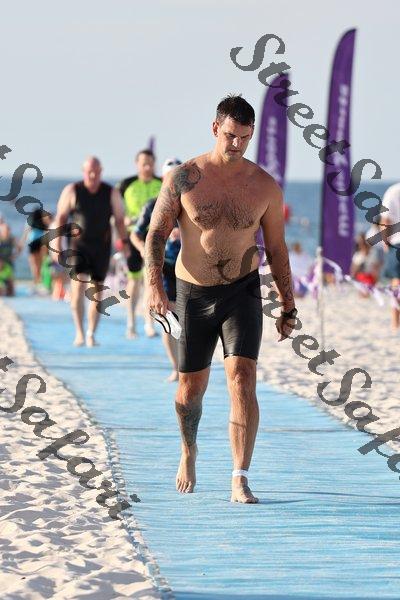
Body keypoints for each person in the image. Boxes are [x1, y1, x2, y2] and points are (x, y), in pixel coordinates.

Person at [145, 95, 296, 504]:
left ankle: (239, 476)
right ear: (215, 129)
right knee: (189, 391)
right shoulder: (184, 178)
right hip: (192, 293)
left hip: (242, 291)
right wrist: (155, 287)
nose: (236, 144)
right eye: (230, 135)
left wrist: (288, 304)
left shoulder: (264, 186)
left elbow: (277, 249)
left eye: (244, 137)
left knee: (242, 378)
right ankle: (188, 450)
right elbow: (157, 233)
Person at [54, 156, 129, 346]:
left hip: (101, 248)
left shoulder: (111, 193)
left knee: (97, 291)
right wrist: (57, 245)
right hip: (78, 247)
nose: (93, 175)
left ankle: (90, 333)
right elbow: (61, 218)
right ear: (84, 172)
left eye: (96, 171)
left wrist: (125, 244)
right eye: (89, 172)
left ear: (101, 171)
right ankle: (79, 332)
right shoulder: (72, 190)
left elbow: (120, 220)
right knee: (78, 288)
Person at [130, 158, 182, 381]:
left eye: (179, 177)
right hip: (164, 267)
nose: (175, 182)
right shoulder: (152, 205)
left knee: (188, 320)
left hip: (189, 267)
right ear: (163, 178)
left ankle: (187, 367)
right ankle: (176, 367)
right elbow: (136, 234)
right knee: (169, 318)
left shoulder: (192, 203)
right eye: (171, 177)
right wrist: (145, 252)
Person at [117, 149, 162, 338]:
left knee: (150, 279)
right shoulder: (126, 185)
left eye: (150, 163)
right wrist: (122, 225)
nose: (147, 166)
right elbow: (115, 211)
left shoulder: (161, 183)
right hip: (133, 237)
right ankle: (131, 323)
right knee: (134, 281)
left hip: (155, 237)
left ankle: (149, 324)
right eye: (144, 163)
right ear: (137, 164)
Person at [380, 183, 400, 330]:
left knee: (397, 282)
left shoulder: (393, 191)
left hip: (397, 241)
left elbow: (386, 220)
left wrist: (385, 241)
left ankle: (395, 322)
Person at [20, 208, 51, 291]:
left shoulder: (31, 221)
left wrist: (21, 244)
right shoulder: (44, 221)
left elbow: (26, 232)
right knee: (41, 263)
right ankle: (40, 282)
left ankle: (37, 282)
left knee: (34, 264)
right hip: (42, 241)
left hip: (32, 241)